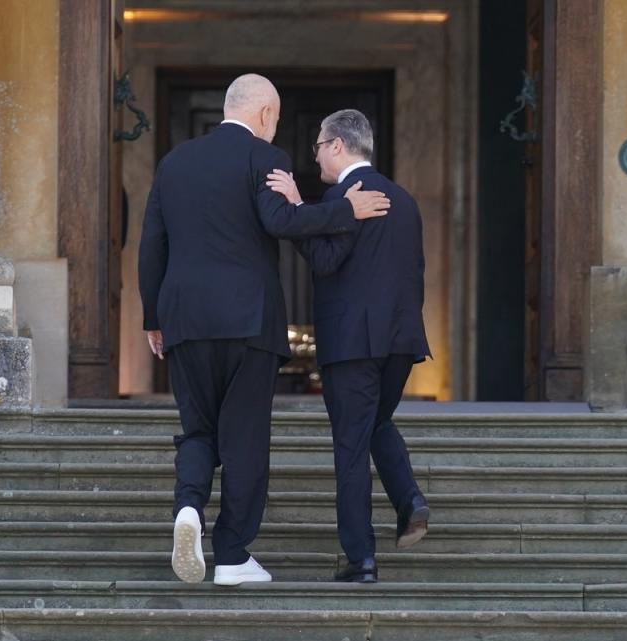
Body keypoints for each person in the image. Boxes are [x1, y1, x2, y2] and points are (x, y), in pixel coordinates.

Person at [138, 76, 391, 586]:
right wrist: (345, 209)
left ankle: (188, 511)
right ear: (265, 113)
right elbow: (281, 221)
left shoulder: (174, 163)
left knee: (197, 429)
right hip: (249, 323)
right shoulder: (265, 157)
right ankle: (231, 555)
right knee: (245, 439)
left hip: (185, 319)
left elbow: (151, 247)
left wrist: (153, 318)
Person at [267, 109, 431, 583]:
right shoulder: (405, 200)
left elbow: (323, 260)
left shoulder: (345, 197)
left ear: (338, 145)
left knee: (351, 447)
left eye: (318, 145)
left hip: (351, 344)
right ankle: (409, 500)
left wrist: (299, 209)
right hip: (401, 341)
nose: (313, 154)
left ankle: (361, 559)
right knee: (377, 422)